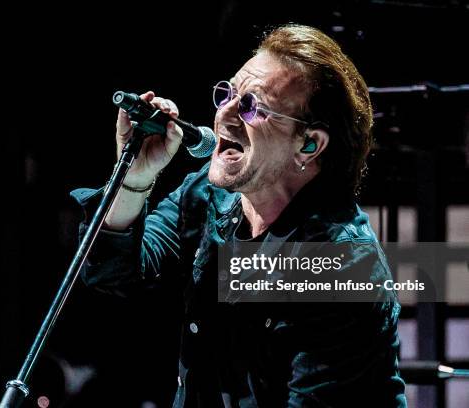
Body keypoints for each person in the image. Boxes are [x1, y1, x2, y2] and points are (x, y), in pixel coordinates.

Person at [71, 24, 407, 407]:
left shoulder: (340, 264)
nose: (225, 114)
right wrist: (134, 180)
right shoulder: (207, 195)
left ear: (309, 144)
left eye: (252, 106)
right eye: (228, 94)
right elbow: (112, 273)